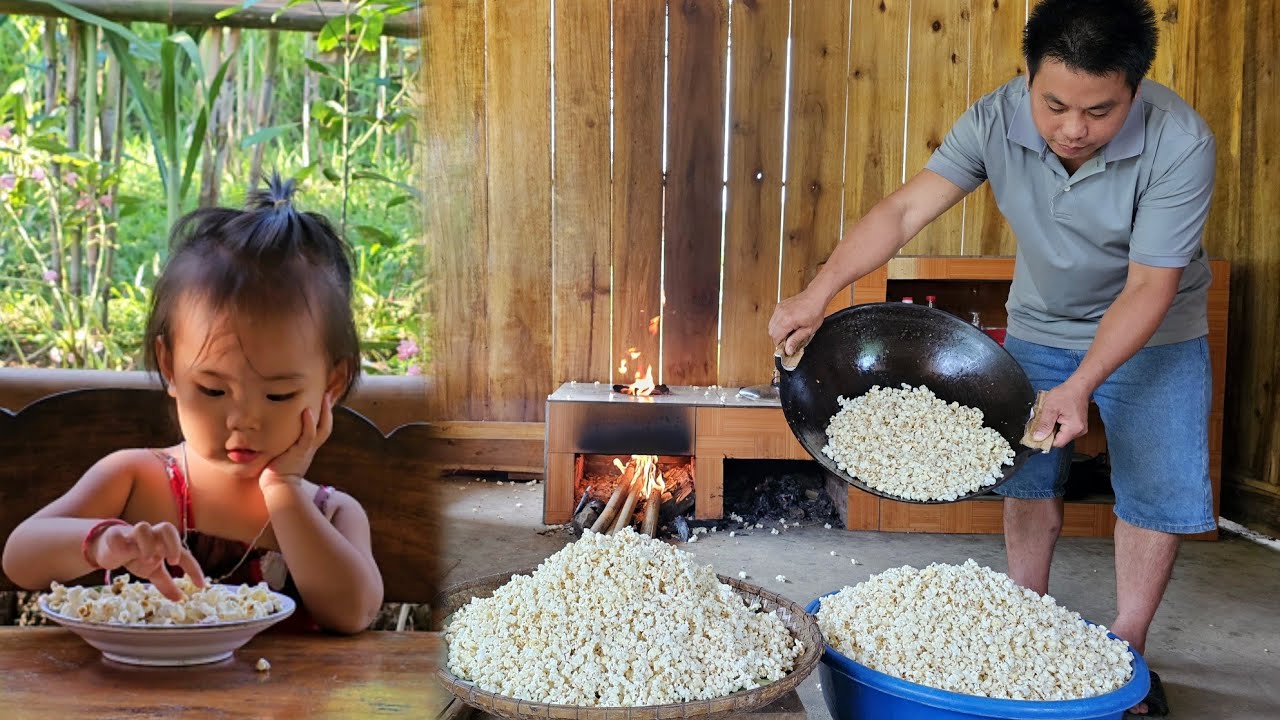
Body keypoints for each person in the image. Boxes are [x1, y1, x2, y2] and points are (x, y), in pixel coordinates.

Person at [769, 0, 1212, 714]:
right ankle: (1024, 618)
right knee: (1027, 477)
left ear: (1135, 89)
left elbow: (1148, 286)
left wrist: (1083, 383)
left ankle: (1124, 655)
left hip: (1154, 329)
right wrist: (819, 291)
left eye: (1100, 111)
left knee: (1155, 493)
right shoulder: (996, 117)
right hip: (1041, 318)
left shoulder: (1181, 142)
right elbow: (904, 212)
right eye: (1055, 104)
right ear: (1029, 78)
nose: (1073, 128)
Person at [2, 175, 384, 634]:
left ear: (332, 384)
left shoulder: (330, 513)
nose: (243, 420)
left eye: (278, 395)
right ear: (169, 367)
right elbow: (20, 557)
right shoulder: (134, 479)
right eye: (213, 390)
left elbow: (354, 613)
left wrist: (283, 487)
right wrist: (104, 541)